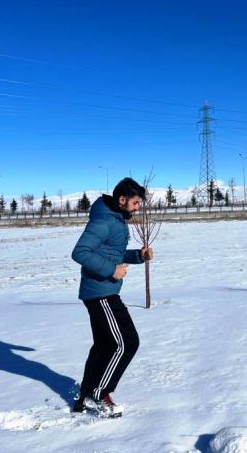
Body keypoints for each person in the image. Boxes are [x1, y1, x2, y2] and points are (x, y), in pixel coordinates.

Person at [71, 177, 153, 417]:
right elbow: (80, 252)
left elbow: (110, 251)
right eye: (136, 203)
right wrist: (111, 270)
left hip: (101, 291)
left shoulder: (115, 219)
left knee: (104, 346)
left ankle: (87, 394)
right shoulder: (105, 221)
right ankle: (97, 395)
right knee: (126, 343)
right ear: (122, 200)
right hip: (101, 293)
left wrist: (138, 256)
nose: (138, 207)